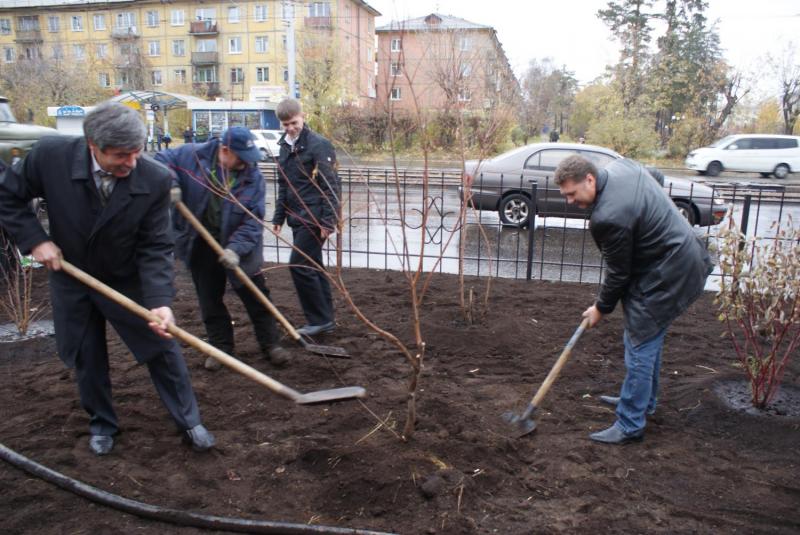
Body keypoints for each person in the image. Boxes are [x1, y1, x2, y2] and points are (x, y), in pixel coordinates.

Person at [0, 102, 215, 456]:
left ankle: (189, 421)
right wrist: (35, 240)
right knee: (88, 354)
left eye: (136, 152)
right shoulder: (50, 158)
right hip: (71, 276)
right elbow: (8, 195)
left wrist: (160, 300)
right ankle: (102, 424)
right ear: (92, 146)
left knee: (161, 346)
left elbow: (156, 245)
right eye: (120, 156)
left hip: (126, 276)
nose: (131, 163)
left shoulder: (154, 178)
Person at [554, 155, 712, 445]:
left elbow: (618, 273)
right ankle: (643, 401)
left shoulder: (607, 217)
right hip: (680, 257)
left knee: (640, 343)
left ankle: (630, 423)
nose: (570, 202)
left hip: (669, 274)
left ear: (590, 179)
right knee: (645, 340)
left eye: (573, 194)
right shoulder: (623, 166)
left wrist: (600, 308)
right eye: (565, 196)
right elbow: (656, 177)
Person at [156, 126, 290, 370]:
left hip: (239, 245)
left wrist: (235, 249)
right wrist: (171, 183)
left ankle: (271, 344)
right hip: (200, 241)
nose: (247, 164)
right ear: (225, 151)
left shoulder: (253, 178)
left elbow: (252, 221)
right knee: (209, 298)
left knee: (256, 295)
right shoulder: (192, 155)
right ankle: (221, 348)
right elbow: (161, 160)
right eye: (242, 158)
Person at [271, 98, 340, 336]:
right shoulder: (284, 147)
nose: (290, 128)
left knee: (298, 265)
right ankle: (326, 317)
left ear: (303, 116)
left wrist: (328, 221)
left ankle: (318, 319)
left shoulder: (318, 145)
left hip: (315, 216)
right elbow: (284, 185)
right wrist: (278, 217)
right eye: (285, 124)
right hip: (296, 217)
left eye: (294, 122)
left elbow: (331, 186)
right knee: (313, 266)